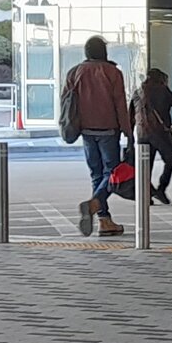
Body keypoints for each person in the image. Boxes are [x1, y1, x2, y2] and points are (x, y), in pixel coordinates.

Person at [58, 35, 130, 237]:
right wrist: (127, 130)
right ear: (104, 52)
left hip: (86, 130)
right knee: (112, 172)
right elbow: (119, 103)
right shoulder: (112, 72)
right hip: (108, 129)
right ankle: (95, 205)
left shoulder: (75, 72)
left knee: (96, 174)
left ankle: (104, 220)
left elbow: (66, 102)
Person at [132, 68, 172, 205]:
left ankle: (146, 193)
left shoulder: (138, 92)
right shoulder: (162, 89)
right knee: (171, 158)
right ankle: (161, 189)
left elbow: (130, 115)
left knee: (146, 165)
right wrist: (165, 88)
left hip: (142, 134)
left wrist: (131, 138)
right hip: (159, 134)